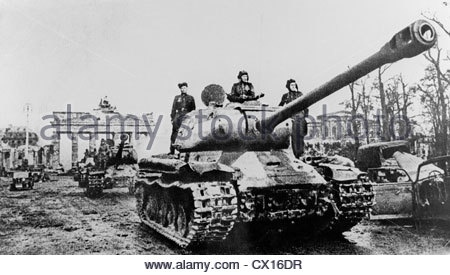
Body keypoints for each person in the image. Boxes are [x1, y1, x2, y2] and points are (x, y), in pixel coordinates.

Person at [279, 79, 308, 158]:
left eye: (294, 85)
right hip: (292, 118)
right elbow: (280, 107)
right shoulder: (286, 96)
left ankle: (302, 154)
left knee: (301, 137)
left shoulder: (300, 94)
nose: (293, 86)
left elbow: (306, 106)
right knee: (294, 138)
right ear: (288, 86)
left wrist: (306, 117)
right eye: (291, 85)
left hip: (301, 117)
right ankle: (297, 155)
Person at [170, 82, 196, 154]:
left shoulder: (191, 98)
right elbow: (173, 108)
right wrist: (172, 118)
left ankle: (184, 151)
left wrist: (192, 118)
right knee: (174, 133)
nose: (183, 89)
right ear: (180, 89)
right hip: (178, 116)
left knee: (186, 133)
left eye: (184, 88)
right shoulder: (177, 97)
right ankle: (172, 150)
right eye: (182, 88)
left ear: (187, 88)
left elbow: (193, 109)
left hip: (187, 117)